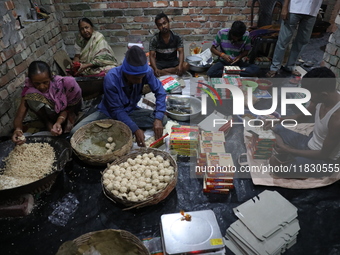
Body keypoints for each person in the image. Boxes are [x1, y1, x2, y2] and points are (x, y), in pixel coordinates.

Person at [71, 46, 167, 147]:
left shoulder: (146, 72)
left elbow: (160, 91)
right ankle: (122, 126)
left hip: (130, 111)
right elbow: (116, 110)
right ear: (126, 73)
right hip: (109, 113)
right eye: (135, 78)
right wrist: (135, 128)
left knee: (162, 119)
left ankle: (122, 127)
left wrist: (158, 119)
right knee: (74, 132)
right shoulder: (111, 78)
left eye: (141, 78)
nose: (139, 82)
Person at [268, 67, 340, 178]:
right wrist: (278, 120)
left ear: (324, 95)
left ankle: (289, 154)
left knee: (276, 166)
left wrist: (288, 149)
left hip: (325, 161)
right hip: (309, 142)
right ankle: (289, 151)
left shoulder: (337, 119)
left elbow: (323, 154)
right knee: (275, 127)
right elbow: (302, 117)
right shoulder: (320, 98)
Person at [12, 61, 82, 145]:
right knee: (31, 96)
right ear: (31, 81)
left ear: (51, 77)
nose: (41, 87)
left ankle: (67, 122)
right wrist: (18, 129)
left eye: (45, 82)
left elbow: (70, 107)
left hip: (69, 109)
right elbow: (19, 116)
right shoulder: (30, 90)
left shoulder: (65, 83)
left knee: (70, 133)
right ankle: (48, 123)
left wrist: (59, 121)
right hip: (49, 115)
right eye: (37, 83)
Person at [266, 0, 323, 78]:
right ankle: (275, 67)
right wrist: (285, 7)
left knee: (302, 41)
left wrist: (318, 10)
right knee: (284, 40)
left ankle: (290, 66)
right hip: (294, 8)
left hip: (312, 11)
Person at [149, 12, 189, 77]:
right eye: (160, 25)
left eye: (164, 23)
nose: (163, 26)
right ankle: (173, 73)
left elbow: (181, 52)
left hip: (173, 62)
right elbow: (151, 56)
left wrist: (180, 65)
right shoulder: (154, 39)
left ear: (168, 23)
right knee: (149, 69)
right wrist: (155, 69)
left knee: (186, 65)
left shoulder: (177, 37)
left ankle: (163, 73)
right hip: (160, 63)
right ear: (157, 27)